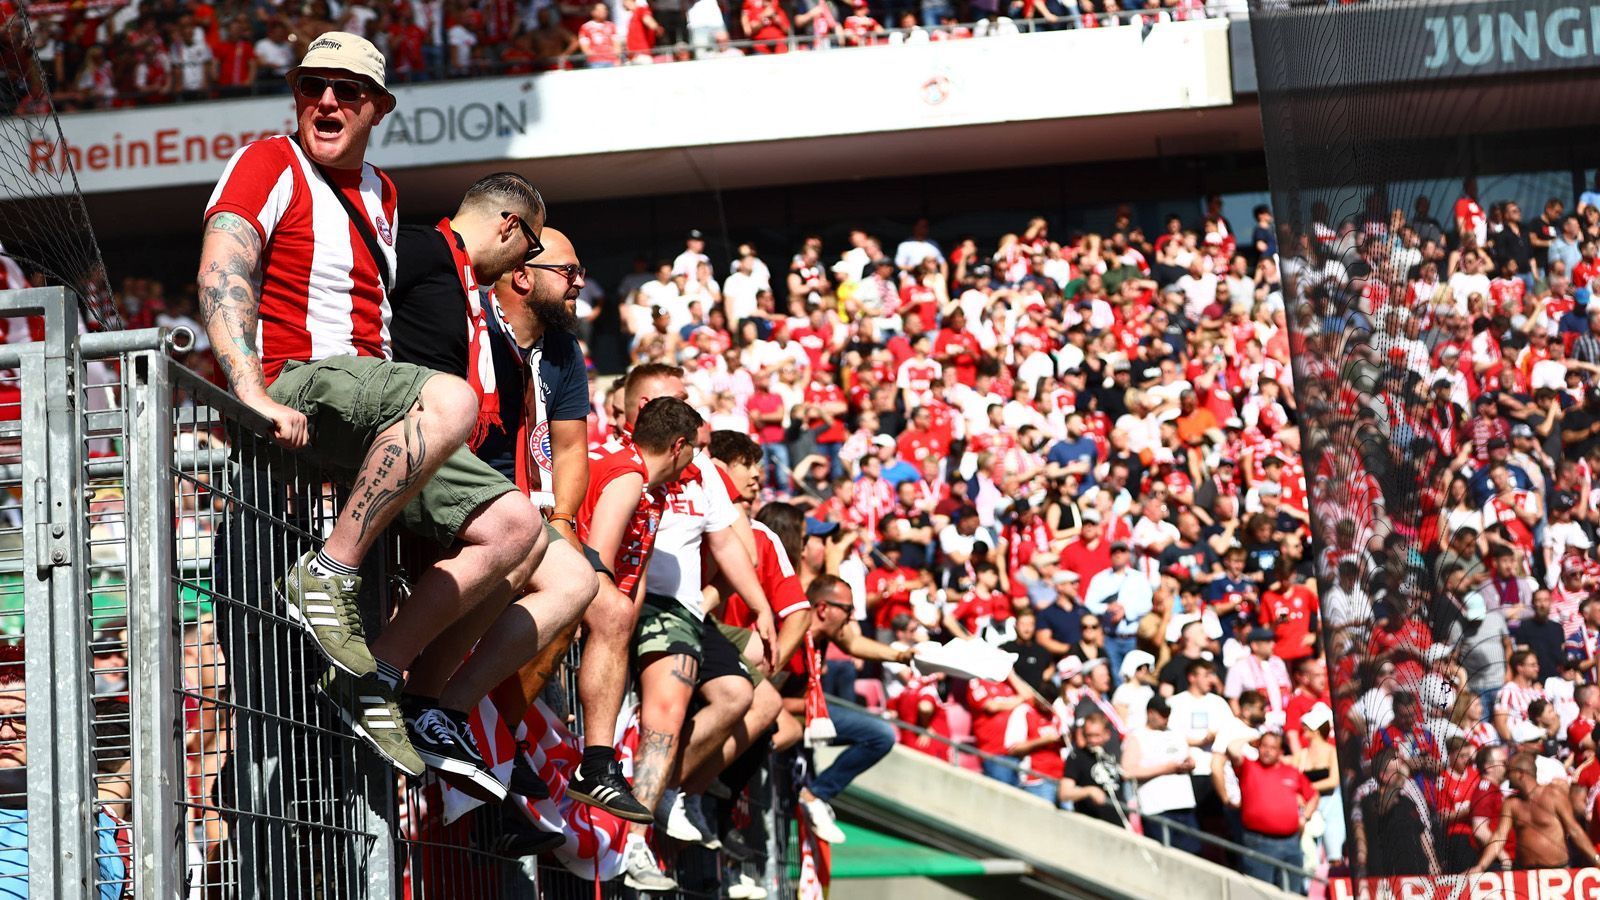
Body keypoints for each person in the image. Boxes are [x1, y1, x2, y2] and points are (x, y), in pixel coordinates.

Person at [197, 33, 538, 775]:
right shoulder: (267, 162)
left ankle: (374, 674)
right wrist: (249, 388)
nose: (326, 101)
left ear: (377, 108)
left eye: (347, 92)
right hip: (299, 381)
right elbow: (224, 265)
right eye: (313, 86)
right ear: (295, 94)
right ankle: (329, 573)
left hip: (361, 402)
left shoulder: (382, 193)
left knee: (517, 527)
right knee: (452, 398)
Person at [386, 179, 600, 797]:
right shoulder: (424, 252)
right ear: (513, 234)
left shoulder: (540, 342)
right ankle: (388, 676)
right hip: (411, 450)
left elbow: (563, 446)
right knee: (528, 536)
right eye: (566, 267)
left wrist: (561, 517)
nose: (581, 281)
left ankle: (446, 711)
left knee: (578, 579)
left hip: (476, 477)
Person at [619, 364, 777, 893]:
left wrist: (762, 607)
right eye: (680, 399)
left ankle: (666, 790)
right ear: (646, 406)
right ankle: (634, 836)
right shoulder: (617, 456)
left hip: (686, 609)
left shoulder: (702, 467)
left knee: (738, 694)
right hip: (643, 603)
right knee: (665, 715)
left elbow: (730, 545)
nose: (693, 407)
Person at [781, 575, 912, 842]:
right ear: (823, 609)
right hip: (786, 719)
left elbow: (854, 644)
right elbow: (762, 696)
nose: (851, 619)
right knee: (879, 734)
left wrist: (902, 656)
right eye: (848, 610)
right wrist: (806, 705)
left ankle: (815, 794)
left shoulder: (824, 635)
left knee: (880, 735)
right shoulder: (791, 636)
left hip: (808, 714)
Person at [1470, 751, 1600, 872]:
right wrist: (1480, 866)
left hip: (1557, 871)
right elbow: (1499, 837)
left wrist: (1596, 860)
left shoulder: (1553, 794)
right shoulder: (1511, 804)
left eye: (1509, 771)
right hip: (1525, 875)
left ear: (1520, 774)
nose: (1506, 775)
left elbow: (1574, 830)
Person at [1227, 730, 1316, 893]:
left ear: (1281, 751)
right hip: (1259, 842)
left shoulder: (1291, 771)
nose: (1267, 750)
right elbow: (1232, 749)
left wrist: (1305, 817)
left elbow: (1313, 795)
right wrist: (1252, 738)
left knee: (1292, 892)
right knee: (1260, 893)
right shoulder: (1248, 766)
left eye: (1272, 747)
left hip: (1291, 843)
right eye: (1264, 746)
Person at [1121, 696, 1199, 853]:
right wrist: (1166, 769)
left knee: (1193, 852)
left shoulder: (1176, 734)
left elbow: (1189, 758)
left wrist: (1190, 764)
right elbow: (1127, 771)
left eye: (1167, 714)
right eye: (1162, 714)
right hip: (1157, 807)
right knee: (1165, 854)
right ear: (1150, 713)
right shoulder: (1137, 736)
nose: (1166, 718)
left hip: (1184, 804)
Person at [1060, 711, 1125, 826]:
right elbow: (1064, 793)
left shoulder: (1111, 756)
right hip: (1091, 825)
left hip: (1118, 824)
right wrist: (1089, 791)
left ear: (1107, 734)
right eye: (1089, 735)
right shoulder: (1077, 757)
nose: (1092, 740)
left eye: (1097, 735)